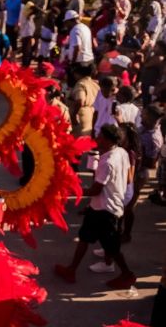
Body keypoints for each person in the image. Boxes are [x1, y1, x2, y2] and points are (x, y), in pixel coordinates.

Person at [55, 123, 136, 289]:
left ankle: (127, 274)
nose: (96, 139)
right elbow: (128, 179)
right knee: (84, 237)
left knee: (112, 247)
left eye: (100, 136)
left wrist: (73, 190)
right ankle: (71, 269)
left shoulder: (108, 162)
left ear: (107, 140)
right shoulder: (122, 152)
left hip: (106, 210)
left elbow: (95, 190)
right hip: (102, 206)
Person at [64, 9, 94, 83]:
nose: (66, 25)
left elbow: (77, 47)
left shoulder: (75, 30)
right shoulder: (85, 27)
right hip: (89, 60)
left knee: (75, 85)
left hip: (80, 63)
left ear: (70, 21)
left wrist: (72, 63)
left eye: (66, 22)